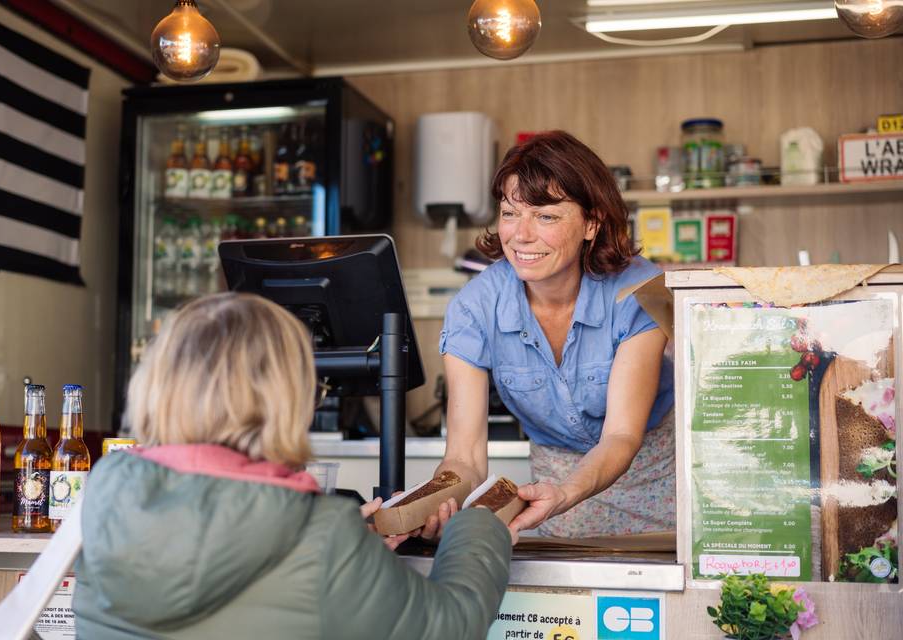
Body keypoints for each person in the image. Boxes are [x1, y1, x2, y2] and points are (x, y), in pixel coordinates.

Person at [73, 293, 512, 639]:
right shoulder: (323, 537)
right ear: (285, 398)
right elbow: (451, 627)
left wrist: (346, 551)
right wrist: (478, 524)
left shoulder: (108, 493)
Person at [428, 130, 675, 541]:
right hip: (553, 492)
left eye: (545, 216)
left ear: (591, 223)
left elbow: (621, 434)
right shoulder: (474, 308)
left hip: (654, 476)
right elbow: (465, 455)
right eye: (510, 213)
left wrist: (566, 492)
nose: (521, 235)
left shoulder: (638, 292)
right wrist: (438, 499)